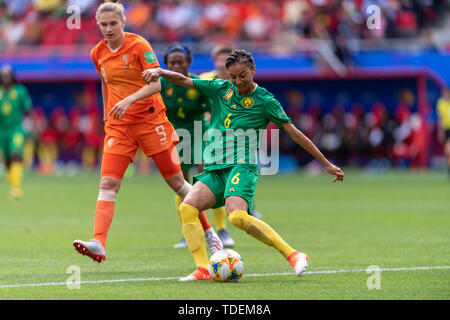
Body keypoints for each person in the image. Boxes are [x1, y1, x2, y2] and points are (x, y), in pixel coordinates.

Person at [143, 50, 344, 281]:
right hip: (215, 167)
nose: (238, 82)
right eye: (233, 77)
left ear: (253, 71)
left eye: (243, 76)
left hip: (241, 166)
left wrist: (326, 164)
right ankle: (202, 269)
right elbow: (185, 80)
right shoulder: (220, 88)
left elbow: (296, 135)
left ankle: (294, 255)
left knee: (237, 216)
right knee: (187, 208)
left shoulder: (266, 101)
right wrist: (161, 71)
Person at [72, 0, 222, 263]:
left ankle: (209, 232)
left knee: (178, 184)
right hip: (119, 128)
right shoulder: (98, 53)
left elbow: (155, 86)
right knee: (107, 185)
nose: (108, 29)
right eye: (103, 25)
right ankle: (98, 242)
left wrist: (129, 100)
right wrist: (108, 115)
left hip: (152, 123)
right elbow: (106, 84)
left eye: (113, 24)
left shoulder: (140, 46)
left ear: (123, 22)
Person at [161, 43, 235, 249]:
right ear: (166, 64)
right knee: (181, 186)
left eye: (180, 62)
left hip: (200, 134)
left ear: (188, 63)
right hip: (175, 138)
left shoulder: (197, 83)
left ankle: (221, 230)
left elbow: (214, 109)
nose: (176, 66)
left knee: (208, 179)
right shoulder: (160, 84)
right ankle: (190, 231)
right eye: (171, 62)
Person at [0, 65, 32, 200]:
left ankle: (17, 188)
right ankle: (14, 186)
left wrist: (29, 125)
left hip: (16, 129)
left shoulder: (20, 91)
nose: (5, 77)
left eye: (8, 74)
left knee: (15, 154)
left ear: (12, 76)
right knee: (7, 161)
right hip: (2, 132)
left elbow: (28, 109)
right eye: (3, 75)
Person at [436, 87, 450, 176]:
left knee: (449, 149)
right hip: (446, 129)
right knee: (447, 151)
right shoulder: (441, 103)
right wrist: (440, 131)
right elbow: (440, 119)